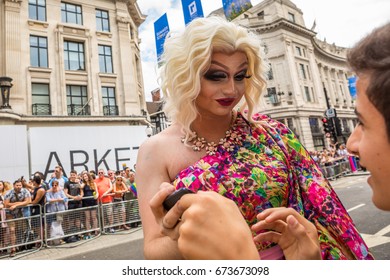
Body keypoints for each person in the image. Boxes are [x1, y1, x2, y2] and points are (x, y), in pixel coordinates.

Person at [137, 16, 373, 260]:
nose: (231, 90)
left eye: (240, 76)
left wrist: (300, 234)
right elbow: (154, 248)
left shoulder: (272, 133)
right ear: (186, 76)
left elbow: (321, 210)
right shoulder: (155, 150)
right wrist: (196, 234)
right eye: (216, 76)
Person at [3, 179, 32, 257]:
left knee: (20, 230)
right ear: (14, 185)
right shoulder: (9, 193)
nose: (19, 187)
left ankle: (20, 246)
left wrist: (16, 205)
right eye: (17, 185)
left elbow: (28, 201)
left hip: (20, 213)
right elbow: (6, 204)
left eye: (20, 185)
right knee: (12, 230)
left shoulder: (25, 191)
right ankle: (13, 249)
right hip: (10, 214)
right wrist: (21, 203)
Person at [80, 171, 98, 239]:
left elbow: (96, 191)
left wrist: (96, 195)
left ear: (88, 176)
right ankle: (88, 232)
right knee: (87, 218)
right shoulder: (83, 184)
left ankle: (96, 230)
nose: (85, 177)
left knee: (94, 217)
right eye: (84, 176)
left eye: (86, 176)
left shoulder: (93, 183)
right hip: (86, 202)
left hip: (93, 201)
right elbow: (81, 188)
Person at [95, 169, 114, 233]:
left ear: (104, 173)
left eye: (102, 172)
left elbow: (111, 188)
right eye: (99, 173)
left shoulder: (108, 179)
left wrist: (106, 193)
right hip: (100, 201)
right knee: (102, 216)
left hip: (108, 200)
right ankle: (105, 228)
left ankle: (111, 227)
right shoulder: (95, 181)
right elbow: (96, 190)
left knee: (110, 214)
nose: (100, 174)